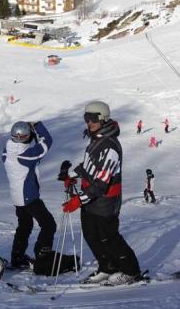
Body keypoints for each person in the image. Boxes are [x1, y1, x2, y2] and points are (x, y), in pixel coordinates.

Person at [58, 101, 141, 286]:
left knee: (109, 237)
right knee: (91, 235)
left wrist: (78, 201)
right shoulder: (96, 139)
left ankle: (131, 271)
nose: (89, 122)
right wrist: (71, 175)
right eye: (86, 118)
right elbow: (89, 165)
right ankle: (108, 267)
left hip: (106, 200)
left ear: (103, 119)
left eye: (93, 118)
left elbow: (101, 184)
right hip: (91, 199)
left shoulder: (110, 146)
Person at [2, 121, 56, 269]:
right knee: (49, 225)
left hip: (17, 197)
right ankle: (42, 257)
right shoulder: (26, 156)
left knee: (25, 225)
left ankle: (17, 257)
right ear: (27, 136)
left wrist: (30, 134)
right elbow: (47, 142)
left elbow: (27, 144)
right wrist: (37, 126)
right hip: (29, 197)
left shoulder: (6, 151)